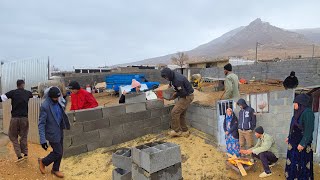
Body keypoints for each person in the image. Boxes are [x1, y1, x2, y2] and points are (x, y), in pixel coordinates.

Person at [38, 87, 70, 178]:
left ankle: (55, 169)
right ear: (50, 97)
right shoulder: (45, 106)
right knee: (58, 152)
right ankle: (43, 161)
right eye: (55, 98)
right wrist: (43, 140)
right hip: (51, 133)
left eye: (58, 97)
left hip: (60, 130)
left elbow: (64, 104)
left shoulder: (59, 101)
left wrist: (65, 96)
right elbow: (41, 124)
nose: (57, 99)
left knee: (60, 151)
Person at [0, 79, 33, 161]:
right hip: (25, 119)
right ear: (23, 84)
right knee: (24, 136)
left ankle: (19, 155)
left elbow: (1, 98)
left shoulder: (12, 92)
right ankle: (25, 153)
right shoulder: (27, 93)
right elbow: (35, 95)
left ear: (17, 85)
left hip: (15, 119)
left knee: (12, 136)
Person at [285, 94, 314, 180]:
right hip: (293, 143)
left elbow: (309, 130)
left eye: (295, 103)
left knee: (302, 163)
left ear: (300, 103)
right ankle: (292, 177)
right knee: (293, 161)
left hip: (301, 144)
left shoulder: (308, 113)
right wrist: (289, 136)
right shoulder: (297, 113)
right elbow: (293, 126)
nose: (294, 105)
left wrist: (303, 143)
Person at [161, 67, 194, 137]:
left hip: (187, 96)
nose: (166, 79)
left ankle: (177, 131)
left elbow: (183, 93)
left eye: (166, 77)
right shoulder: (173, 76)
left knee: (174, 112)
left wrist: (174, 96)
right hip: (185, 95)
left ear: (169, 74)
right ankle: (185, 131)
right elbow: (172, 84)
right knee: (181, 114)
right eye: (164, 78)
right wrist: (168, 90)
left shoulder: (178, 80)